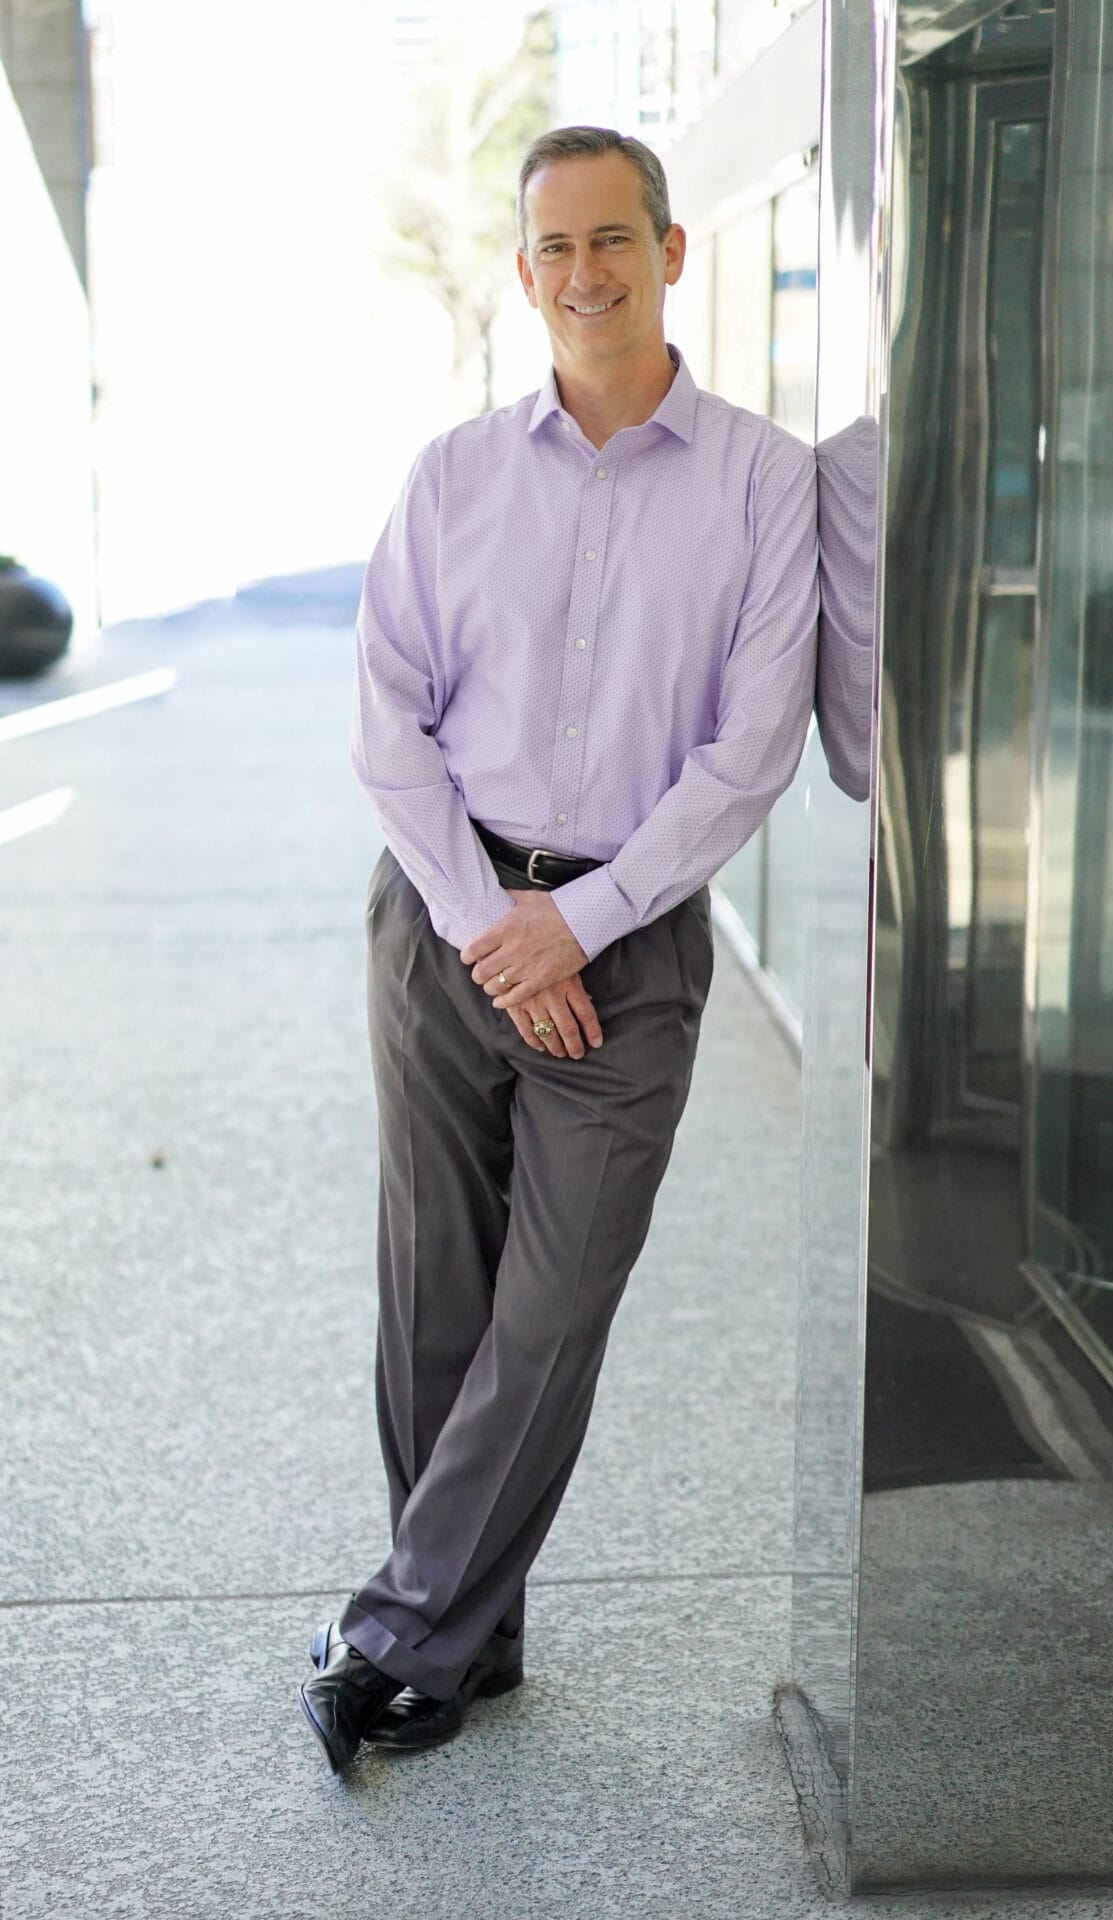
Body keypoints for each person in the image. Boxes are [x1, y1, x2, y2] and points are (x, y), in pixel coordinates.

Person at [298, 124, 819, 1775]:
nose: (583, 273)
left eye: (612, 240)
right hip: (441, 924)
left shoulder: (760, 480)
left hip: (631, 946)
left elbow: (750, 750)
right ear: (522, 271)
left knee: (548, 1314)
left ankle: (395, 1634)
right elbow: (389, 722)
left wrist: (573, 926)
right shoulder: (453, 475)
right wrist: (482, 926)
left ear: (671, 250)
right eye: (552, 248)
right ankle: (468, 1639)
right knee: (434, 1292)